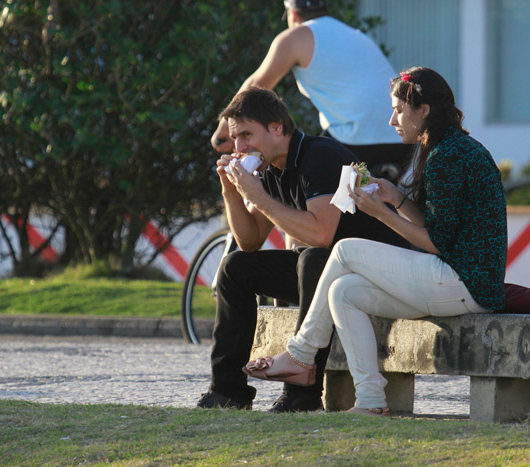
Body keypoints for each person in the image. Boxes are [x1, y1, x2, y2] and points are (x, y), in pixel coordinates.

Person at [243, 67, 508, 416]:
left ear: (423, 110)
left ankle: (301, 354)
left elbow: (438, 244)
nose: (391, 120)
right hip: (461, 281)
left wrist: (382, 214)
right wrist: (395, 197)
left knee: (345, 249)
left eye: (398, 110)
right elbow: (441, 229)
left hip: (465, 282)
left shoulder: (448, 155)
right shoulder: (449, 147)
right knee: (344, 292)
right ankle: (369, 401)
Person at [196, 87, 408, 411]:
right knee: (234, 266)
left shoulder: (318, 155)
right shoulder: (271, 169)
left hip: (380, 273)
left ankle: (302, 396)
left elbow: (321, 235)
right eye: (235, 138)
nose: (239, 147)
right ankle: (227, 391)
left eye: (246, 134)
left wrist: (259, 195)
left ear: (277, 128)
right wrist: (232, 192)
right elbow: (250, 240)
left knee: (312, 258)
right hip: (329, 274)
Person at [211, 0, 410, 182]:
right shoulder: (354, 34)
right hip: (401, 137)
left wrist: (225, 127)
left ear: (293, 14)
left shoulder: (296, 36)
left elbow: (257, 84)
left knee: (304, 183)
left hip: (355, 138)